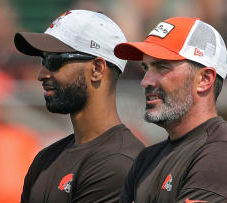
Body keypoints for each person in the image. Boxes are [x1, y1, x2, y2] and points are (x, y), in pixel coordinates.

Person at [114, 17, 227, 202]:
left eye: (161, 67)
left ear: (204, 79)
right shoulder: (147, 159)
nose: (145, 81)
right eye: (146, 68)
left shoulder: (225, 152)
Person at [13, 10, 145, 203]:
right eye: (43, 60)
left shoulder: (119, 163)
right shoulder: (46, 158)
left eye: (54, 61)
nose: (42, 74)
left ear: (97, 69)